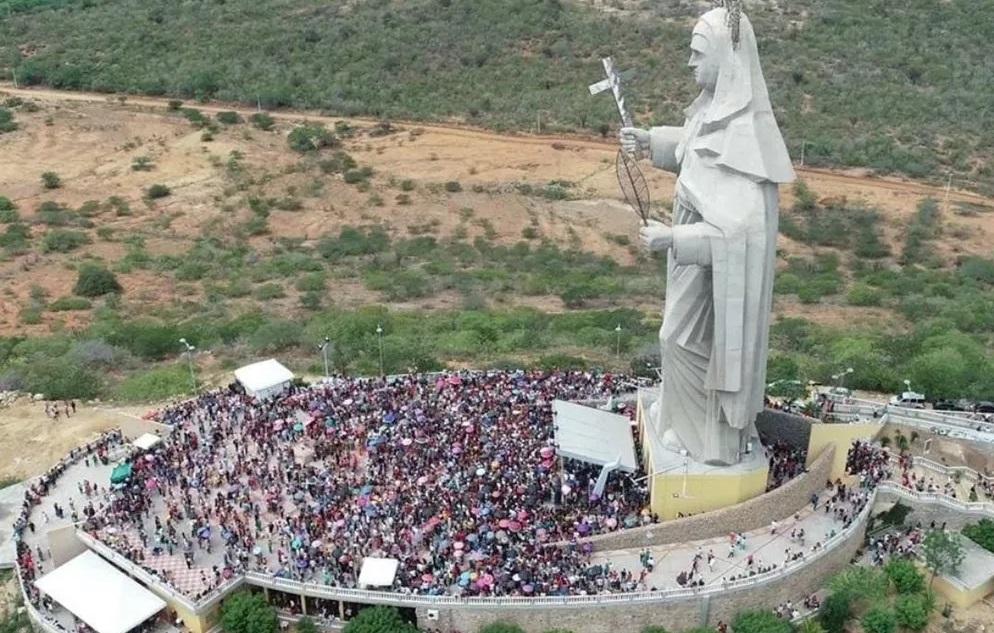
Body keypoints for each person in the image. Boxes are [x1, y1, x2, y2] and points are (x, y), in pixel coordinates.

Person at [625, 0, 795, 466]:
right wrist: (649, 141)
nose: (690, 62)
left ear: (727, 58)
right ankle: (679, 418)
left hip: (710, 274)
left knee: (681, 341)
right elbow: (691, 148)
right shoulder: (711, 115)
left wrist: (673, 240)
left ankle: (706, 440)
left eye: (698, 53)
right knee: (671, 339)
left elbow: (738, 235)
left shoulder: (746, 139)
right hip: (689, 268)